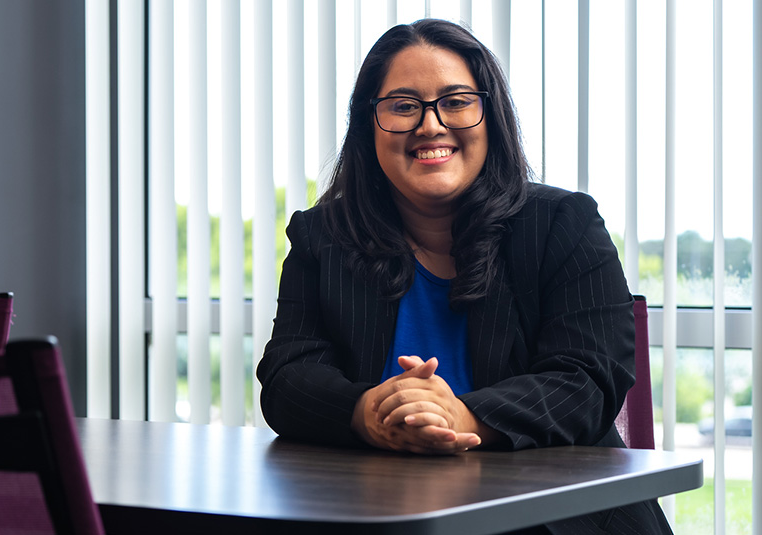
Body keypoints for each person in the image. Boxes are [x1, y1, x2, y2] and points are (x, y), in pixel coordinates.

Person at [256, 18, 673, 535]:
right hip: (379, 517)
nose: (431, 125)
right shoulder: (323, 237)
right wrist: (368, 411)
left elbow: (586, 380)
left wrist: (460, 417)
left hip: (558, 523)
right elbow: (286, 377)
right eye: (404, 106)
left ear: (489, 116)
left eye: (455, 101)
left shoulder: (564, 225)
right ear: (369, 127)